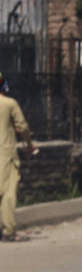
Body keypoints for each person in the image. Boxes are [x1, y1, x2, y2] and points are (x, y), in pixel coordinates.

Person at [0, 72, 33, 242]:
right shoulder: (10, 103)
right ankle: (8, 230)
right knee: (8, 192)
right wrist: (29, 144)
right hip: (5, 154)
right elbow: (23, 126)